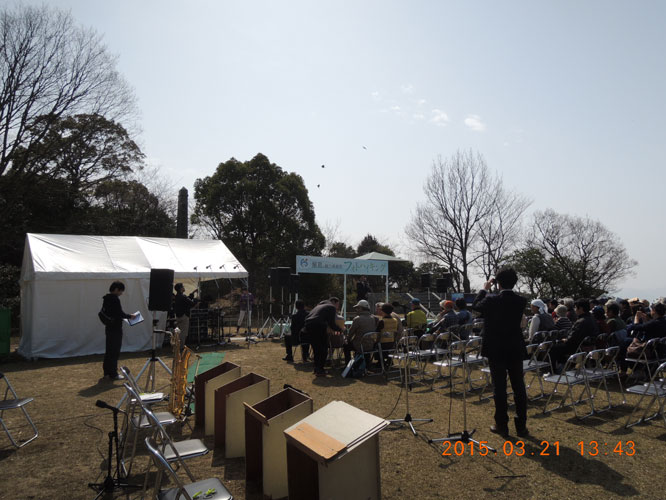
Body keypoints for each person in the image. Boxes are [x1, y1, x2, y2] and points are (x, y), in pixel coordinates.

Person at [472, 268, 529, 437]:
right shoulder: (521, 301)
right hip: (515, 346)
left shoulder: (491, 300)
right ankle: (521, 426)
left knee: (500, 387)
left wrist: (484, 289)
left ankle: (501, 424)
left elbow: (476, 306)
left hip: (496, 348)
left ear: (498, 283)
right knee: (519, 386)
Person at [549, 299, 599, 372]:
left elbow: (572, 338)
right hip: (590, 346)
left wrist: (565, 339)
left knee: (553, 348)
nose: (575, 310)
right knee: (560, 346)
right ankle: (564, 366)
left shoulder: (581, 321)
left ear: (580, 308)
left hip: (577, 347)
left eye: (576, 307)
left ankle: (555, 370)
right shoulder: (592, 319)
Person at [101, 281, 136, 380]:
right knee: (114, 351)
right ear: (116, 289)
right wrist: (130, 316)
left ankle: (106, 372)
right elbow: (119, 313)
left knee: (109, 350)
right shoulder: (115, 299)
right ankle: (113, 373)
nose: (121, 293)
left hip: (108, 327)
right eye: (121, 291)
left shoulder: (106, 298)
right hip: (115, 328)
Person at [302, 298, 342, 376]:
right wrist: (340, 330)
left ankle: (317, 368)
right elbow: (331, 323)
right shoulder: (331, 307)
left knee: (316, 349)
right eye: (337, 304)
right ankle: (320, 369)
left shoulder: (318, 307)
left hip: (308, 325)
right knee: (323, 348)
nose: (337, 306)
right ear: (333, 302)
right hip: (319, 326)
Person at [344, 300, 378, 364]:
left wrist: (347, 339)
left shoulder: (357, 319)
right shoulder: (374, 318)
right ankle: (366, 362)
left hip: (359, 345)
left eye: (357, 308)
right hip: (371, 345)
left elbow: (351, 333)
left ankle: (348, 364)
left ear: (361, 308)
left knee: (346, 346)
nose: (356, 310)